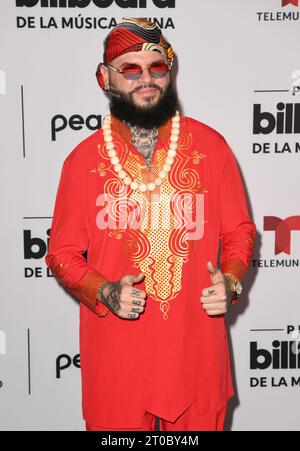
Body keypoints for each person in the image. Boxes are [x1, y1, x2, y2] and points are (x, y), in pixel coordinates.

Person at [45, 18, 256, 432]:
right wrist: (103, 290)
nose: (146, 79)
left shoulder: (212, 149)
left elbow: (239, 232)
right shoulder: (82, 161)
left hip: (195, 360)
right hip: (117, 365)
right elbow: (62, 252)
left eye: (156, 67)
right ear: (105, 79)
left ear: (169, 71)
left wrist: (230, 282)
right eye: (130, 69)